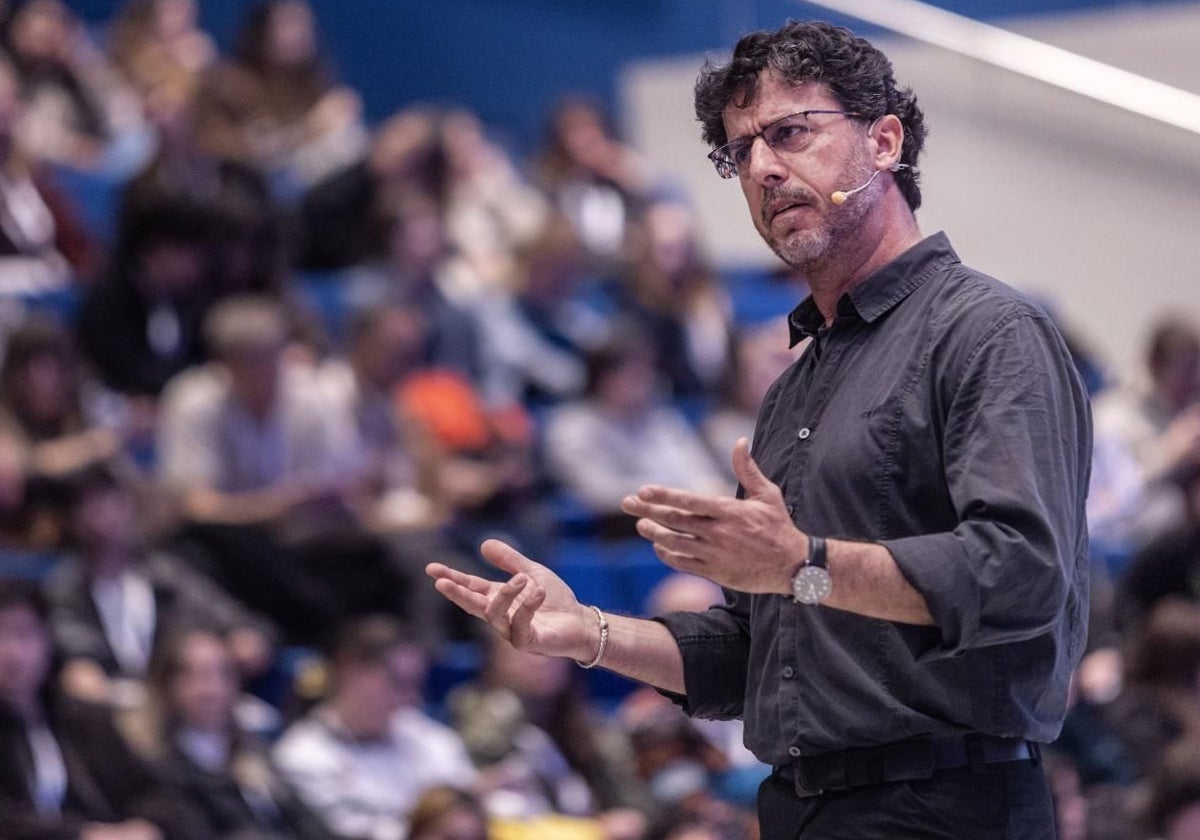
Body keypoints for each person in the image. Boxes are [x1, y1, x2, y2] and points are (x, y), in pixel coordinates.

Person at [427, 19, 1091, 840]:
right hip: (802, 810)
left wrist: (803, 566)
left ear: (884, 141)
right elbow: (759, 648)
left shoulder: (986, 333)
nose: (765, 168)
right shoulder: (790, 394)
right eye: (741, 152)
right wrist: (593, 634)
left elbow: (1020, 575)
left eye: (791, 133)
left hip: (947, 806)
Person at [0, 578, 208, 840]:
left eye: (24, 634)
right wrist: (86, 835)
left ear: (47, 642)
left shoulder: (81, 717)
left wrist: (146, 827)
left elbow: (155, 792)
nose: (13, 653)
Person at [272, 615, 479, 840]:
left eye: (416, 685)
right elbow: (340, 833)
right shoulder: (301, 756)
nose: (411, 698)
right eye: (399, 682)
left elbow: (467, 811)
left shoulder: (425, 736)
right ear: (351, 670)